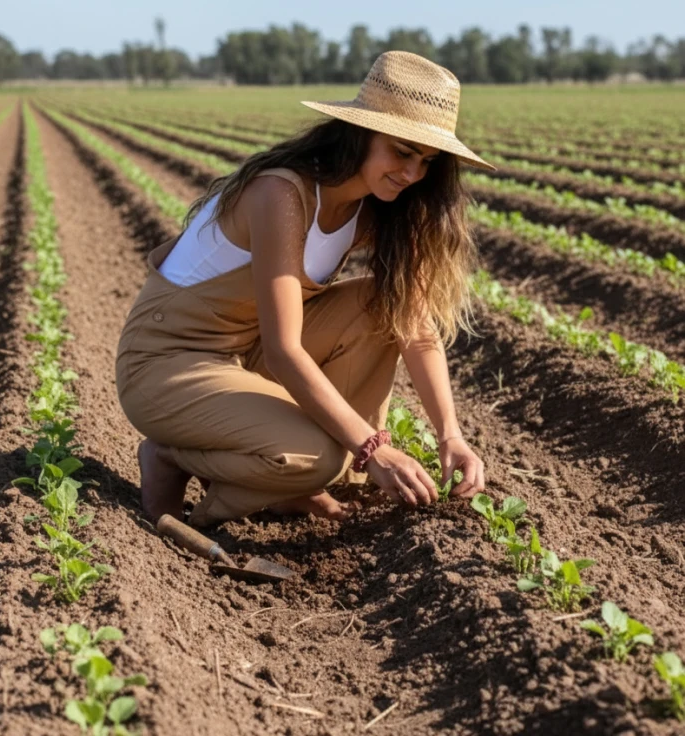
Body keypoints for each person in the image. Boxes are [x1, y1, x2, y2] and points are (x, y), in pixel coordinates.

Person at [116, 51, 493, 528]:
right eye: (402, 151)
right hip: (167, 362)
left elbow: (414, 326)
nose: (413, 174)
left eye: (427, 161)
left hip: (242, 354)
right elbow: (283, 351)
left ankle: (285, 484)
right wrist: (372, 447)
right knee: (320, 455)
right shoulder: (281, 195)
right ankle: (173, 459)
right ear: (360, 132)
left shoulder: (371, 207)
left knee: (383, 307)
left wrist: (450, 436)